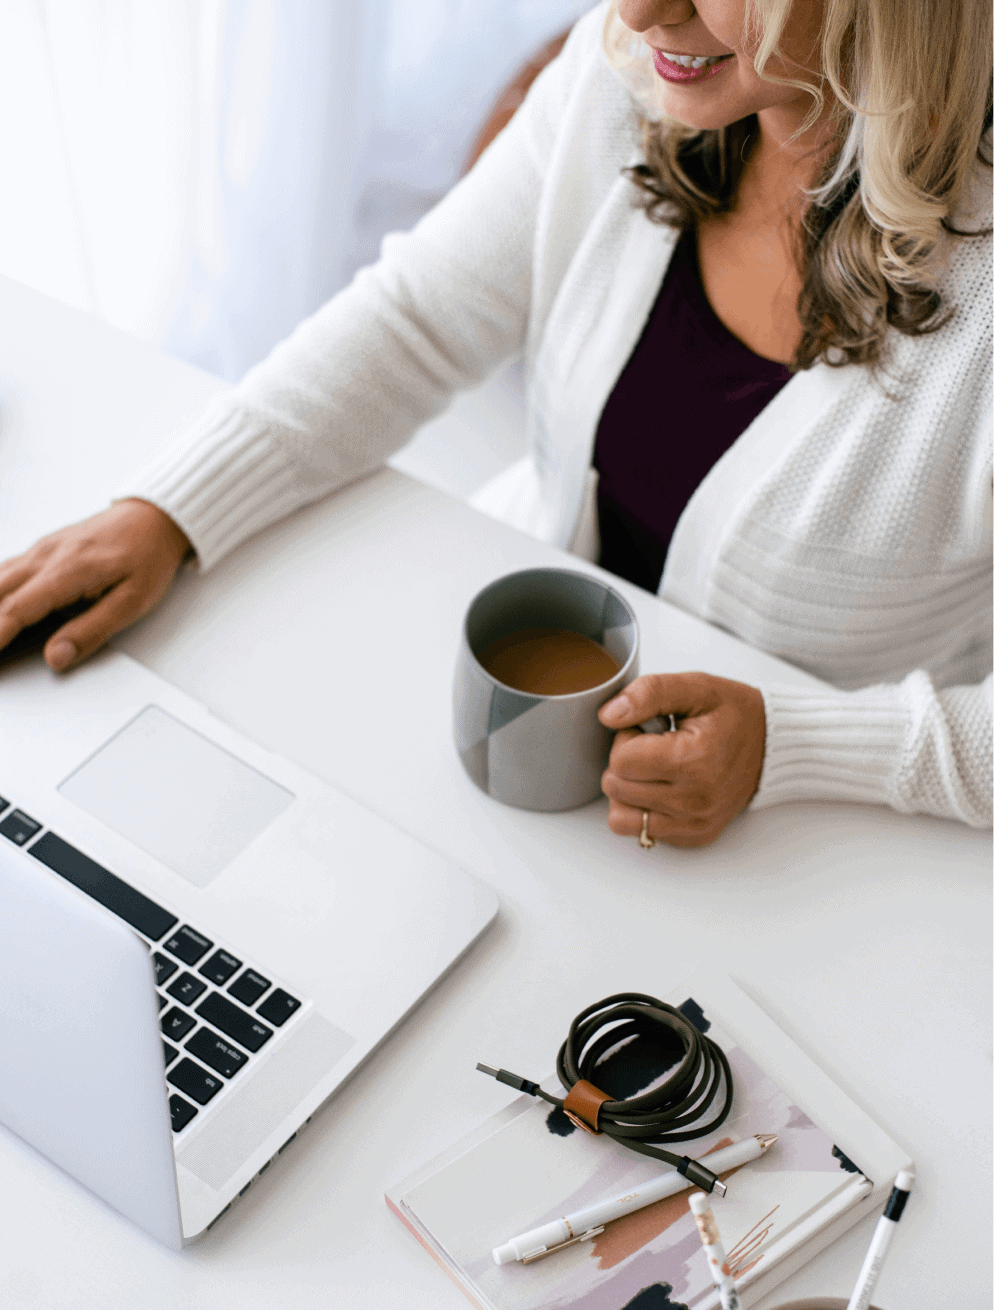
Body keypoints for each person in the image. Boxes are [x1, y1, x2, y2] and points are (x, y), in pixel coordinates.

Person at [0, 0, 990, 847]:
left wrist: (799, 747)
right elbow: (420, 316)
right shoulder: (637, 77)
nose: (640, 10)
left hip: (813, 839)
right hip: (535, 752)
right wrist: (171, 509)